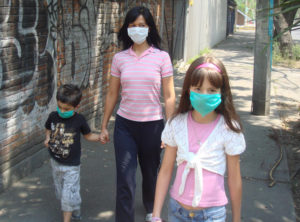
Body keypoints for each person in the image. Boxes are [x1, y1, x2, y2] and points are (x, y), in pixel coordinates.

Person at [99, 6, 176, 222]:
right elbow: (112, 93)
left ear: (149, 28)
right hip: (125, 127)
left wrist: (170, 129)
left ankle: (152, 207)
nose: (137, 30)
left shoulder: (162, 58)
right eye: (133, 26)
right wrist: (105, 125)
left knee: (151, 173)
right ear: (127, 29)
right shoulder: (120, 58)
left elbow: (169, 96)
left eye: (142, 25)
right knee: (125, 177)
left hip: (153, 126)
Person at [152, 56, 246, 222]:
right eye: (198, 88)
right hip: (177, 212)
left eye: (211, 90)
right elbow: (165, 170)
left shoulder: (229, 129)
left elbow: (234, 178)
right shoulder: (176, 124)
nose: (204, 95)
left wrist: (237, 219)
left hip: (212, 215)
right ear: (188, 89)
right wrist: (156, 214)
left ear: (221, 92)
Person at [44, 84, 101, 222]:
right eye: (60, 107)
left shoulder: (79, 120)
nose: (62, 111)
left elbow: (88, 136)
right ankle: (75, 208)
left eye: (66, 109)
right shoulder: (53, 116)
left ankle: (68, 218)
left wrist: (100, 137)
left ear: (76, 107)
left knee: (67, 196)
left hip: (72, 166)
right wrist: (47, 138)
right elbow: (47, 128)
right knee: (61, 192)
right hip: (55, 162)